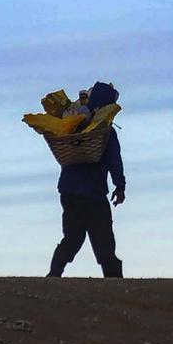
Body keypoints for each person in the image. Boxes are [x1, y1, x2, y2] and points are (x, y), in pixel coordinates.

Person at [48, 81, 125, 278]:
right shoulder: (105, 131)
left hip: (69, 191)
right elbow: (114, 159)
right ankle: (115, 282)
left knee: (72, 238)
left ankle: (53, 275)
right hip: (94, 194)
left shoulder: (69, 126)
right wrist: (120, 186)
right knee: (104, 241)